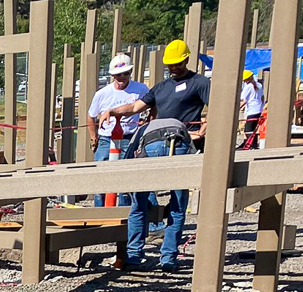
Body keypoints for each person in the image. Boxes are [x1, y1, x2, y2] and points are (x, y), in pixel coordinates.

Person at [100, 38, 210, 271]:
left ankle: (168, 257)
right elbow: (135, 107)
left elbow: (218, 108)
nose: (174, 68)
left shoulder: (199, 83)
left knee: (178, 203)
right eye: (170, 64)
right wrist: (113, 111)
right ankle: (133, 256)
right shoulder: (161, 87)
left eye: (177, 63)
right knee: (138, 201)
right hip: (151, 141)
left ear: (187, 60)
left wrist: (200, 132)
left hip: (179, 143)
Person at [86, 54, 149, 207]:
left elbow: (150, 105)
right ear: (112, 75)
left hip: (129, 137)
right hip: (107, 138)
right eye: (118, 75)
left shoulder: (141, 89)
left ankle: (123, 211)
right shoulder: (102, 94)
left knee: (125, 176)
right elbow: (91, 117)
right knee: (100, 175)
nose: (122, 77)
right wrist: (94, 138)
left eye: (126, 73)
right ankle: (99, 212)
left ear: (131, 72)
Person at [239, 69, 265, 150]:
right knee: (254, 129)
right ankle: (252, 144)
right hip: (259, 109)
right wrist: (262, 106)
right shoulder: (259, 85)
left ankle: (251, 145)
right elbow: (262, 97)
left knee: (248, 130)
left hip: (251, 111)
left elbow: (244, 100)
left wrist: (237, 109)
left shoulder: (248, 87)